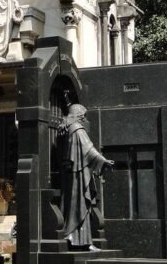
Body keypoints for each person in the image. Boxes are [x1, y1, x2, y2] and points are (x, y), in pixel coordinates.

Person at [59, 93, 113, 250]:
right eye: (83, 115)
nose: (84, 118)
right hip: (80, 174)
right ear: (78, 115)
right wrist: (103, 160)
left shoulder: (67, 128)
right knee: (81, 205)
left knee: (77, 206)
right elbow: (88, 149)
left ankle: (79, 239)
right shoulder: (77, 129)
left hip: (73, 174)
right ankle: (77, 238)